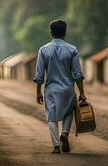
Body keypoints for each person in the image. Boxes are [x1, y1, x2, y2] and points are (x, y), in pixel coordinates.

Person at [33, 19, 86, 154]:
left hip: (51, 90)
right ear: (65, 32)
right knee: (69, 111)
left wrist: (38, 92)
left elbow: (39, 75)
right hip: (68, 89)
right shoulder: (72, 49)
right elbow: (78, 74)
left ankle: (56, 146)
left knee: (51, 116)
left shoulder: (43, 50)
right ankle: (65, 132)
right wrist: (82, 93)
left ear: (51, 33)